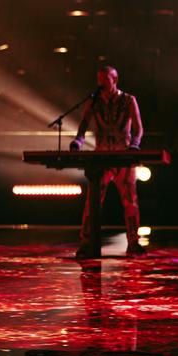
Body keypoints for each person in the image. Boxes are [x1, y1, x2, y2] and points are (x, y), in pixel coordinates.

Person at [70, 65, 145, 256]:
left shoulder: (128, 100)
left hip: (122, 157)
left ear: (115, 80)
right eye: (99, 79)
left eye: (105, 79)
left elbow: (138, 128)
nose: (101, 83)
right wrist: (78, 142)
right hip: (101, 157)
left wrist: (134, 146)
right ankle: (87, 241)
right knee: (93, 201)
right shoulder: (94, 101)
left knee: (130, 200)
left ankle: (133, 241)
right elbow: (83, 126)